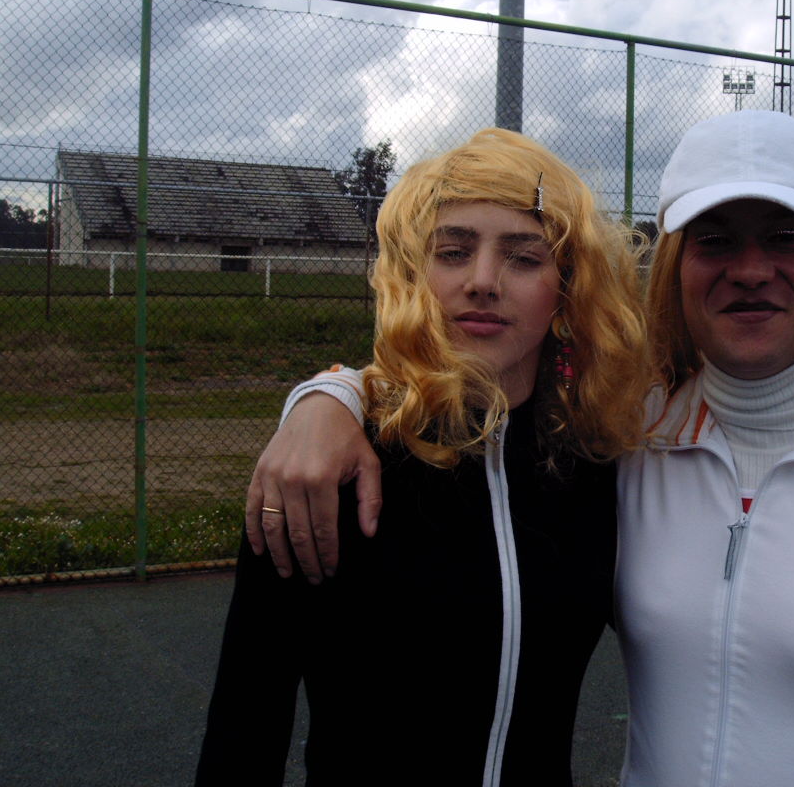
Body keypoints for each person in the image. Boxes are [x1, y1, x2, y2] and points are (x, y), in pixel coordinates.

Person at [247, 111, 794, 786]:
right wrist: (329, 397)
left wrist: (324, 396)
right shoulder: (630, 444)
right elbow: (473, 386)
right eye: (716, 240)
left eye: (785, 237)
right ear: (678, 266)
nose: (750, 269)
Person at [196, 128, 652, 787]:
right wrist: (329, 393)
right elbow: (244, 726)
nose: (483, 281)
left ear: (567, 290)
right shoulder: (328, 467)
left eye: (524, 258)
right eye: (453, 251)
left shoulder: (598, 464)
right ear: (414, 274)